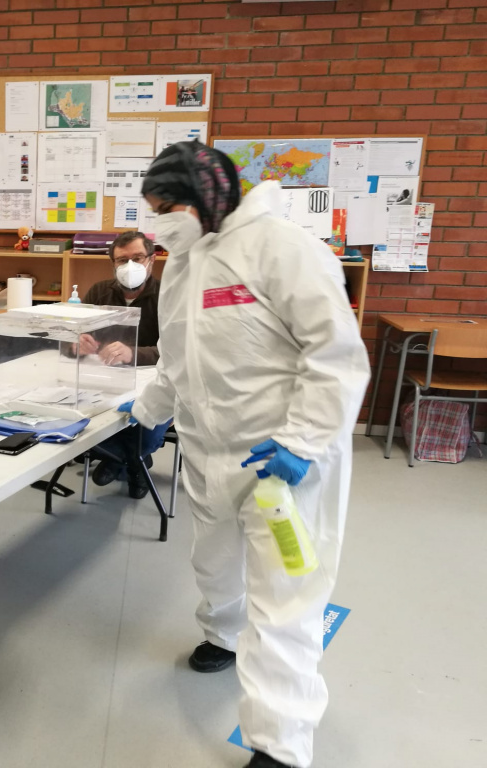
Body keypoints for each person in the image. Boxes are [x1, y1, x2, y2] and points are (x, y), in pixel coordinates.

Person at [127, 142, 370, 768]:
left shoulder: (284, 249)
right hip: (209, 454)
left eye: (168, 206)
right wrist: (146, 412)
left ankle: (280, 744)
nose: (161, 222)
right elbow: (178, 355)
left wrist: (301, 442)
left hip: (281, 465)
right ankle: (222, 636)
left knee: (284, 602)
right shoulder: (182, 261)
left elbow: (337, 355)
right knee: (213, 565)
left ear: (209, 195)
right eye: (154, 210)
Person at [75, 231, 162, 499]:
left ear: (152, 260)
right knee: (81, 425)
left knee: (147, 436)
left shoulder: (169, 296)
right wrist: (76, 345)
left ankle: (121, 460)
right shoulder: (99, 292)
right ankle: (134, 462)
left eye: (137, 258)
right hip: (103, 379)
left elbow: (176, 352)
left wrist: (132, 353)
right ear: (112, 263)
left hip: (156, 383)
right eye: (122, 260)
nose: (130, 266)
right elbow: (73, 342)